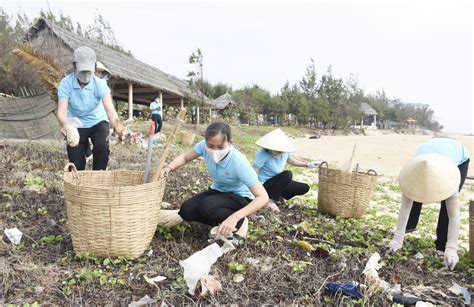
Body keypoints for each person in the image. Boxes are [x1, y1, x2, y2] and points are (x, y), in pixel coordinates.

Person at [165, 122, 269, 239]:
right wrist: (169, 168)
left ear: (230, 142)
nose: (215, 151)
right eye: (210, 146)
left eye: (220, 147)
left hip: (239, 196)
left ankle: (239, 222)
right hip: (218, 190)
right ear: (206, 142)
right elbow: (185, 157)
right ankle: (224, 222)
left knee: (207, 207)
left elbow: (262, 197)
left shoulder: (239, 162)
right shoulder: (203, 146)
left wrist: (235, 217)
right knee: (186, 211)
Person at [388, 137, 470, 270]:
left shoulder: (450, 178)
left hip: (459, 157)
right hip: (426, 156)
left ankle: (443, 246)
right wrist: (397, 240)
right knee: (413, 193)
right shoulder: (411, 174)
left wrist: (452, 248)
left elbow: (454, 215)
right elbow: (404, 208)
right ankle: (409, 226)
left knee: (446, 206)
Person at [57, 46, 123, 171]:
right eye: (82, 71)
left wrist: (119, 127)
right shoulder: (66, 84)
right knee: (76, 163)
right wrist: (67, 126)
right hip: (76, 124)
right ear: (75, 67)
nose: (86, 75)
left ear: (94, 67)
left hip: (97, 121)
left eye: (89, 71)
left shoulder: (100, 84)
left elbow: (110, 112)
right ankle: (78, 185)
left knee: (102, 148)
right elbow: (61, 112)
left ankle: (98, 180)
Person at [253, 129, 320, 211]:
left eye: (281, 152)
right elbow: (254, 172)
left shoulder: (285, 152)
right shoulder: (262, 154)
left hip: (278, 183)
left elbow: (292, 161)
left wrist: (308, 164)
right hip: (265, 185)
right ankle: (270, 200)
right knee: (287, 174)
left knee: (304, 188)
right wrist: (257, 194)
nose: (280, 153)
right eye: (277, 151)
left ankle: (279, 196)